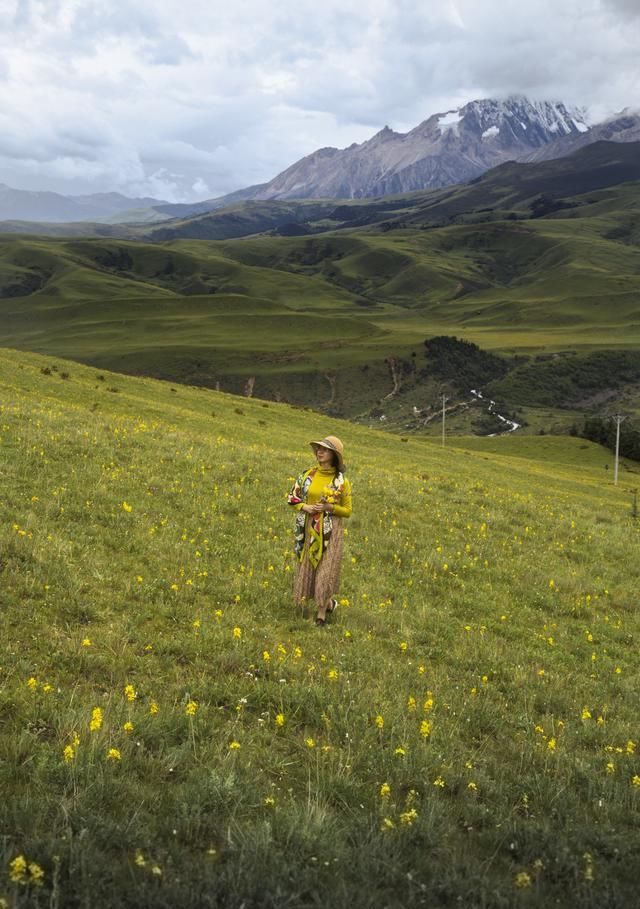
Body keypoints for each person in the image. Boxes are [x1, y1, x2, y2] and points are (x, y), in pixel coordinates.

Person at [287, 435, 353, 625]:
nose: (319, 452)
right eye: (318, 449)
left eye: (324, 449)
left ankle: (321, 613)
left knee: (326, 568)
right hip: (308, 528)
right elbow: (293, 497)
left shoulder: (341, 482)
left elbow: (347, 511)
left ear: (334, 455)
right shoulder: (307, 475)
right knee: (309, 566)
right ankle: (329, 603)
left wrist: (329, 508)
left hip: (331, 531)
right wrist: (305, 507)